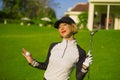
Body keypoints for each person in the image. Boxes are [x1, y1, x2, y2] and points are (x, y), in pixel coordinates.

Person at [22, 16, 92, 80]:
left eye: (64, 24)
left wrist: (85, 67)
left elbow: (78, 78)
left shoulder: (80, 52)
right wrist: (32, 61)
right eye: (59, 27)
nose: (61, 28)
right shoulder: (53, 46)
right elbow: (46, 66)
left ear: (72, 26)